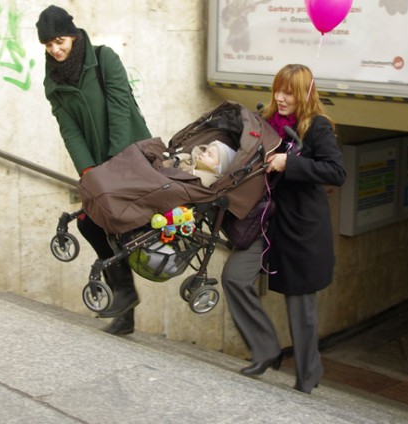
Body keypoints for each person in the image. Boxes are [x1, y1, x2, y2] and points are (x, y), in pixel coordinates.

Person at [221, 64, 346, 393]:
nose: (281, 97)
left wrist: (290, 163)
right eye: (278, 89)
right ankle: (265, 350)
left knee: (300, 306)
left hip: (301, 226)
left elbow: (336, 171)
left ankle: (308, 375)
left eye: (289, 91)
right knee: (234, 276)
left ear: (304, 93)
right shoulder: (266, 122)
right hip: (265, 220)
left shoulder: (316, 127)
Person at [36, 5, 152, 335]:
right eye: (48, 45)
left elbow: (119, 109)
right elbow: (68, 129)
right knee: (90, 223)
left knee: (119, 226)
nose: (55, 50)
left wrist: (114, 164)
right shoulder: (53, 81)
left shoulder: (104, 59)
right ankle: (125, 299)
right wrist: (88, 170)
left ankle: (126, 301)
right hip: (98, 166)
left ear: (72, 35)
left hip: (130, 154)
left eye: (59, 41)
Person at [163, 140, 237, 187]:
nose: (204, 154)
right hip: (165, 168)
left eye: (210, 155)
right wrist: (178, 158)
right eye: (205, 151)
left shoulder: (210, 178)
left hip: (170, 182)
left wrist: (192, 172)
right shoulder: (193, 158)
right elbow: (184, 156)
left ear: (219, 167)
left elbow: (205, 181)